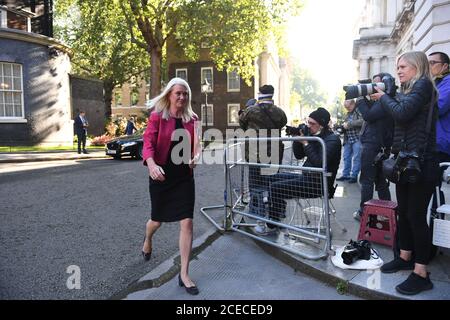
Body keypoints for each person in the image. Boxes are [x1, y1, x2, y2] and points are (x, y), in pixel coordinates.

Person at [371, 51, 439, 295]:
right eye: (397, 67)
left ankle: (421, 272)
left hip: (423, 163)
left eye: (403, 66)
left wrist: (384, 98)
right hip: (406, 162)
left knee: (416, 216)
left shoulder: (423, 86)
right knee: (405, 214)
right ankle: (405, 256)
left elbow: (401, 113)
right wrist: (385, 98)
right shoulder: (409, 90)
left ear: (417, 67)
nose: (398, 70)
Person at [141, 77, 201, 295]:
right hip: (161, 175)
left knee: (187, 222)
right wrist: (151, 164)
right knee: (156, 221)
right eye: (178, 93)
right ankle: (147, 239)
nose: (182, 97)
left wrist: (195, 157)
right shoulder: (157, 117)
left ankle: (184, 273)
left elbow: (197, 147)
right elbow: (147, 144)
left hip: (184, 177)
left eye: (185, 94)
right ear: (169, 95)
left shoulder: (193, 119)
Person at [267, 108, 342, 229]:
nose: (309, 126)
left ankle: (273, 222)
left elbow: (319, 163)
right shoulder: (314, 135)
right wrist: (298, 140)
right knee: (273, 178)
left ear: (322, 125)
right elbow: (299, 155)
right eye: (308, 122)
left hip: (319, 184)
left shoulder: (332, 140)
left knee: (276, 188)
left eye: (313, 124)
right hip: (307, 177)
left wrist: (306, 143)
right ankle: (279, 212)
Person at [239, 85, 287, 226]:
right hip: (273, 154)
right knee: (273, 183)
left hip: (254, 153)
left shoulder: (250, 111)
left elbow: (242, 124)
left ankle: (256, 210)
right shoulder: (280, 113)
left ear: (260, 95)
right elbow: (282, 124)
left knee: (255, 183)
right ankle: (275, 211)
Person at [353, 73, 394, 221]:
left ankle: (364, 212)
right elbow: (373, 113)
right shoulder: (388, 100)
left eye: (377, 85)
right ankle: (388, 213)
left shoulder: (385, 100)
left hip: (373, 146)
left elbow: (369, 115)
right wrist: (363, 95)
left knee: (367, 181)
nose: (373, 88)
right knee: (380, 182)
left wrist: (359, 99)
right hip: (379, 146)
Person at [428, 52, 450, 185]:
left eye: (432, 63)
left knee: (435, 184)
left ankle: (436, 206)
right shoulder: (438, 81)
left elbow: (438, 107)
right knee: (434, 184)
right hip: (436, 140)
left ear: (445, 66)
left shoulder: (447, 82)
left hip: (442, 141)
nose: (429, 66)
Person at [336, 99, 363, 183]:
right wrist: (342, 126)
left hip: (357, 138)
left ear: (353, 104)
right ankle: (346, 175)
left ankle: (354, 176)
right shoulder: (348, 113)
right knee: (346, 157)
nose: (347, 109)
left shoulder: (359, 110)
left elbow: (363, 121)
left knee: (356, 158)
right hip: (348, 138)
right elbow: (346, 124)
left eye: (347, 107)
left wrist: (349, 124)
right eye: (345, 107)